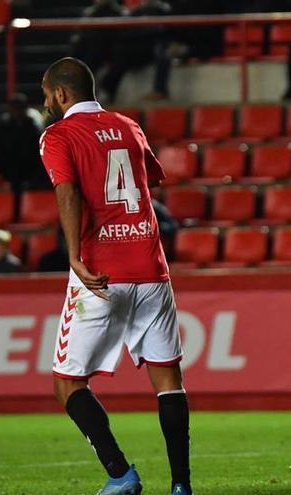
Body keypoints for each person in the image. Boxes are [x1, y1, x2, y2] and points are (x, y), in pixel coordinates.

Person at [39, 57, 192, 495]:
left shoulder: (58, 135)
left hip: (100, 272)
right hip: (151, 267)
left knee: (67, 382)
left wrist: (73, 255)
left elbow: (66, 190)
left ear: (61, 95)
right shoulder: (129, 125)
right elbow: (151, 180)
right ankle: (181, 486)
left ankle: (120, 473)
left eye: (47, 94)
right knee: (168, 381)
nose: (46, 102)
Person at [0, 94, 49, 194]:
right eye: (14, 108)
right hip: (8, 165)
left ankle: (40, 186)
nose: (16, 112)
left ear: (25, 109)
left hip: (27, 167)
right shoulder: (0, 126)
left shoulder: (34, 128)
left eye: (19, 108)